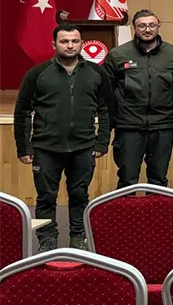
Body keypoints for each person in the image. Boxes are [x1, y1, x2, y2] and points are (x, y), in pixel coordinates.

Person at [14, 23, 112, 251]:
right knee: (46, 197)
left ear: (82, 44)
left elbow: (107, 109)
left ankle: (78, 237)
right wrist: (24, 147)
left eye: (75, 41)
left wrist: (102, 142)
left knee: (79, 195)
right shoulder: (37, 74)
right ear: (54, 44)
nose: (70, 45)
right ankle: (47, 240)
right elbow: (22, 112)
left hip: (84, 147)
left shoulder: (96, 73)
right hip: (45, 148)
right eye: (64, 41)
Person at [105, 9, 173, 188]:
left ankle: (157, 208)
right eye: (142, 26)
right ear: (134, 28)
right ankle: (124, 208)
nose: (147, 29)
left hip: (162, 126)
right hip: (129, 127)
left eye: (152, 25)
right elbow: (106, 94)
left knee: (159, 179)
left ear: (158, 26)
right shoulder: (118, 55)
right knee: (127, 179)